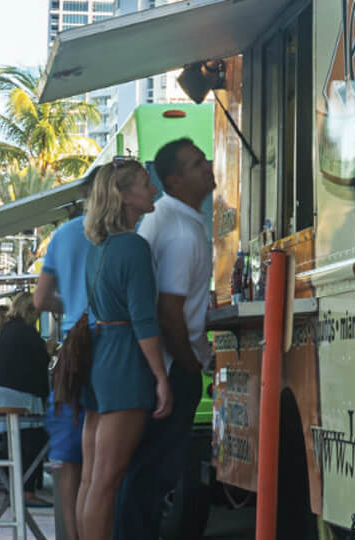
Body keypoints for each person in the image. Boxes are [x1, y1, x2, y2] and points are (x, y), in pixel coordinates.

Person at [115, 138, 217, 537]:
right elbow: (169, 308)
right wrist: (189, 365)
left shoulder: (171, 219)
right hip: (173, 366)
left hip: (161, 364)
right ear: (174, 180)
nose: (207, 166)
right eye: (195, 164)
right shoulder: (179, 230)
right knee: (154, 471)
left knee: (144, 471)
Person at [74, 157, 172, 540]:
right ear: (124, 196)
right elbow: (144, 321)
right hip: (125, 363)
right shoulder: (133, 246)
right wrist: (161, 378)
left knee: (91, 478)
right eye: (146, 185)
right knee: (107, 480)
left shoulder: (97, 247)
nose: (154, 191)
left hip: (100, 360)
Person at [35, 207, 93, 540]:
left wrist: (72, 305)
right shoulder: (128, 231)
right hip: (113, 343)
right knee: (106, 452)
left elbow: (41, 299)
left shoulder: (63, 234)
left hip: (73, 348)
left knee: (70, 454)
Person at [0, 296, 49, 493]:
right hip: (21, 393)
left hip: (3, 389)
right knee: (29, 442)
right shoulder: (27, 332)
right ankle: (26, 491)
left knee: (13, 442)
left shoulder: (8, 329)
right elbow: (41, 360)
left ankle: (15, 487)